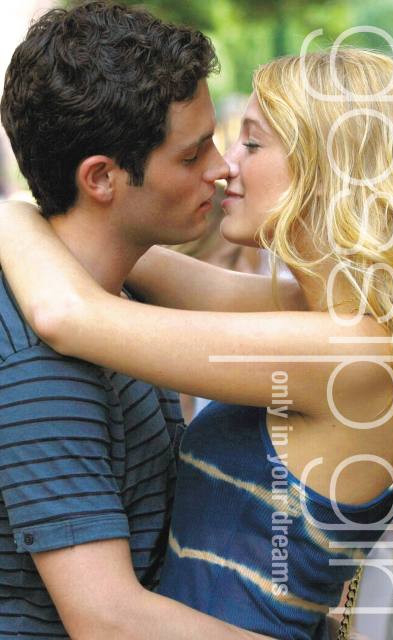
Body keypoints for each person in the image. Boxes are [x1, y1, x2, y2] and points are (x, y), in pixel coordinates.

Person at [1, 48, 393, 639]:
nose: (227, 166)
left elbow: (67, 313)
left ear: (327, 167)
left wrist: (10, 214)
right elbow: (119, 248)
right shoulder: (327, 316)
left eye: (250, 143)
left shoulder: (349, 351)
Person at [0, 2, 290, 639]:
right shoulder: (37, 362)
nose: (221, 168)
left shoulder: (125, 280)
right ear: (102, 178)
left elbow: (283, 303)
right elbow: (108, 619)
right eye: (191, 156)